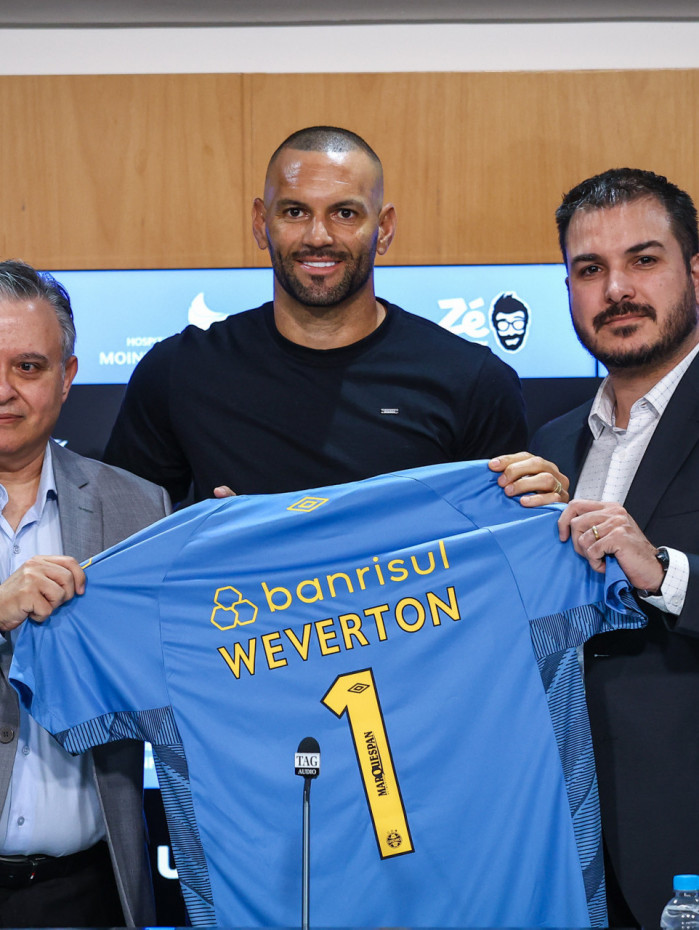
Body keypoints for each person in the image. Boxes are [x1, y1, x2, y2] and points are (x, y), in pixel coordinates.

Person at [104, 126, 536, 504]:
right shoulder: (181, 371)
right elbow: (126, 538)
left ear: (383, 229)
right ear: (260, 222)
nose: (318, 236)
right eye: (295, 212)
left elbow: (503, 559)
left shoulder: (472, 381)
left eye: (345, 213)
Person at [526, 168, 699, 928]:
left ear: (695, 272)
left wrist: (662, 573)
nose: (615, 288)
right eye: (589, 269)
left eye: (643, 260)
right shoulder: (547, 444)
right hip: (569, 853)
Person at [0, 261, 170, 927]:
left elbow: (171, 681)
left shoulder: (139, 507)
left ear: (68, 379)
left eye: (30, 367)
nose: (5, 390)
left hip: (87, 891)